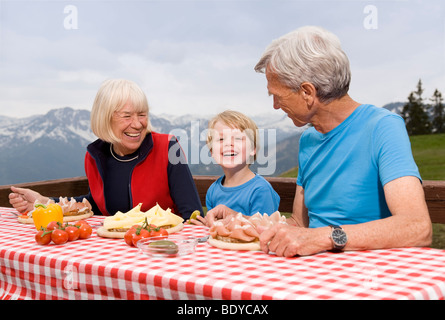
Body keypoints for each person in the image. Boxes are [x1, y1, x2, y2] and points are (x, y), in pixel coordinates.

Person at [207, 26, 432, 256]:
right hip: (313, 270)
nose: (275, 105)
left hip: (366, 274)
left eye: (277, 95)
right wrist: (241, 221)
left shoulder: (383, 127)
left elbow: (417, 227)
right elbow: (298, 223)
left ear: (307, 92)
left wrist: (325, 237)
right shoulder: (308, 140)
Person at [9, 79, 203, 219]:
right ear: (105, 118)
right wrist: (45, 201)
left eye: (142, 115)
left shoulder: (168, 147)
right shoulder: (96, 155)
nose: (137, 124)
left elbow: (193, 215)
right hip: (115, 256)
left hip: (160, 251)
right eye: (126, 116)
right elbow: (95, 203)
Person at [191, 110, 280, 225]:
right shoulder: (213, 190)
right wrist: (208, 227)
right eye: (221, 139)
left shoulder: (260, 190)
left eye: (237, 138)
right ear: (212, 152)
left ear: (252, 149)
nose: (228, 144)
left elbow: (266, 230)